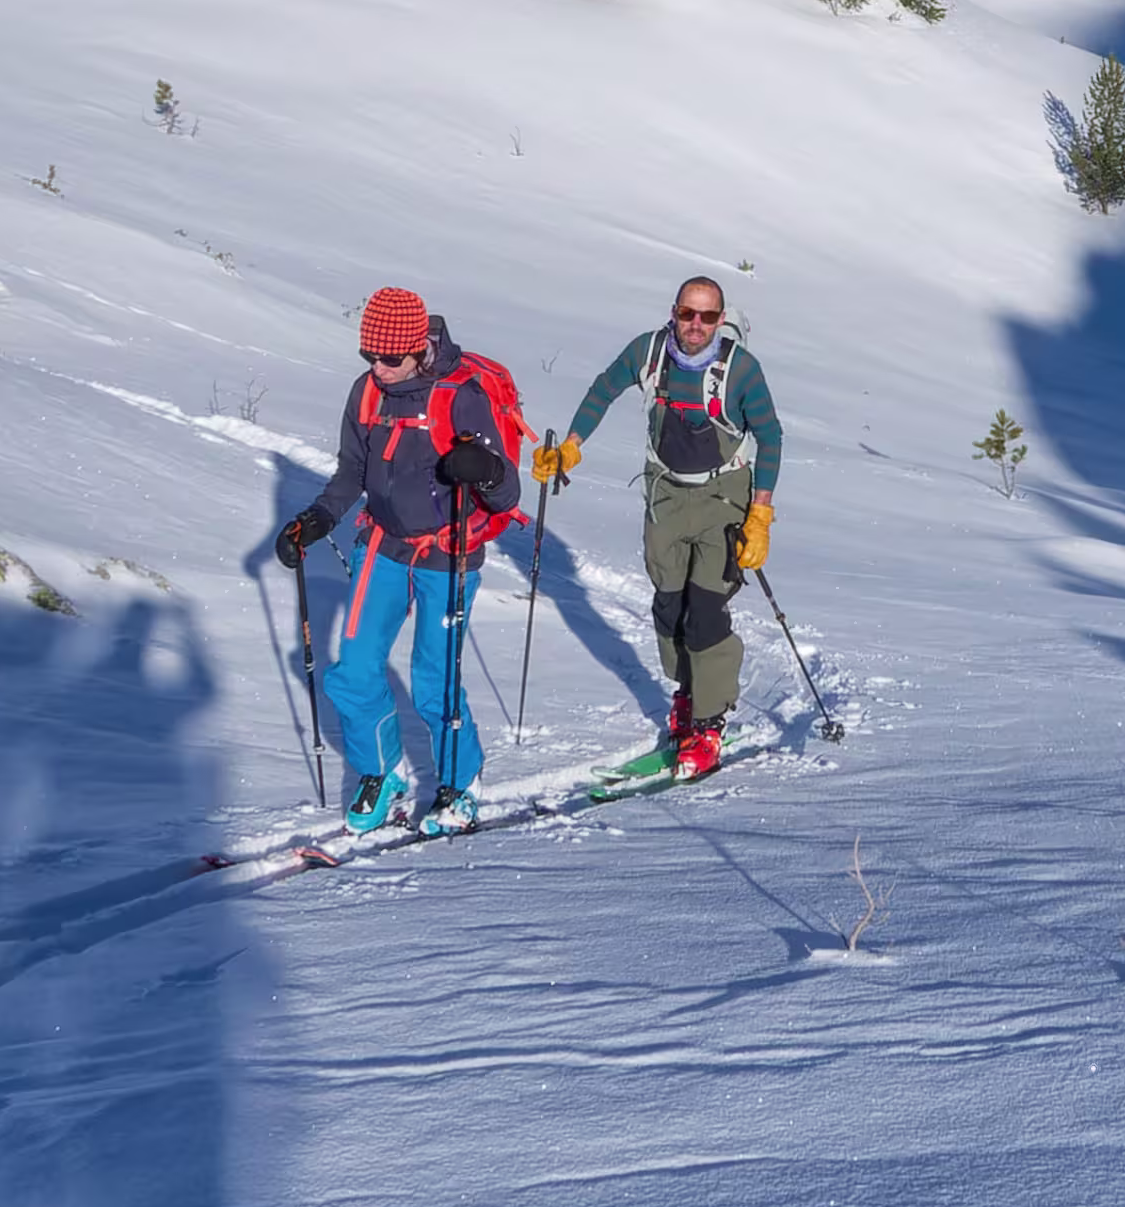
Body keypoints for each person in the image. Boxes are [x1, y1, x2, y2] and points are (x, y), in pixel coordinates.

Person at [274, 286, 527, 831]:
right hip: (381, 547)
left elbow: (507, 494)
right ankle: (380, 773)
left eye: (390, 358)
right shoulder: (367, 393)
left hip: (447, 555)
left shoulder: (462, 395)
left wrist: (478, 466)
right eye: (370, 356)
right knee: (353, 672)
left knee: (434, 681)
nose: (380, 369)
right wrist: (317, 518)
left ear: (418, 347)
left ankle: (460, 783)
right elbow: (350, 473)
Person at [531, 274, 783, 776]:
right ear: (674, 312)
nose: (695, 325)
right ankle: (687, 694)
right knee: (669, 605)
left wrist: (760, 514)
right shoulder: (648, 352)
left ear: (720, 319)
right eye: (687, 314)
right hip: (665, 494)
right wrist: (572, 446)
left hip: (723, 496)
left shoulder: (741, 370)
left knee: (706, 609)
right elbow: (602, 390)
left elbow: (771, 436)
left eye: (707, 316)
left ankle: (710, 723)